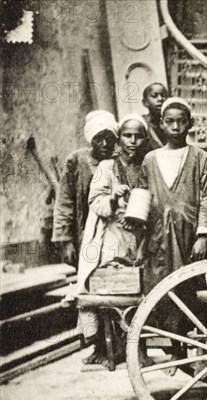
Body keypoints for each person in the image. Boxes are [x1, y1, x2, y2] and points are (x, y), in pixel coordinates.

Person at [76, 114, 149, 366]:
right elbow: (94, 201)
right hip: (113, 234)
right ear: (120, 139)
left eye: (138, 136)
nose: (133, 141)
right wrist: (114, 198)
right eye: (127, 136)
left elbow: (159, 202)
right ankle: (108, 348)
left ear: (145, 139)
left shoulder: (149, 165)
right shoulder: (107, 167)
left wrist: (143, 222)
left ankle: (140, 349)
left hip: (143, 235)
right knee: (110, 288)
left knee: (141, 293)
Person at [138, 97, 207, 293]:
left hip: (189, 235)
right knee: (159, 286)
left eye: (181, 121)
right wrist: (141, 242)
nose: (176, 127)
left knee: (190, 287)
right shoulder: (150, 159)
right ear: (161, 123)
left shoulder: (199, 157)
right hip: (158, 236)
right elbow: (142, 201)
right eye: (169, 121)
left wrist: (203, 237)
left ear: (190, 124)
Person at [52, 110, 119, 266]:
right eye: (98, 138)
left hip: (114, 231)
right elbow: (64, 201)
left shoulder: (120, 160)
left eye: (109, 138)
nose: (104, 144)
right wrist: (65, 240)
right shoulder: (76, 161)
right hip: (85, 232)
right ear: (90, 138)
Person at [141, 82, 168, 150]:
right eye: (154, 96)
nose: (160, 99)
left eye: (163, 95)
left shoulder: (173, 124)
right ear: (145, 102)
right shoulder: (142, 124)